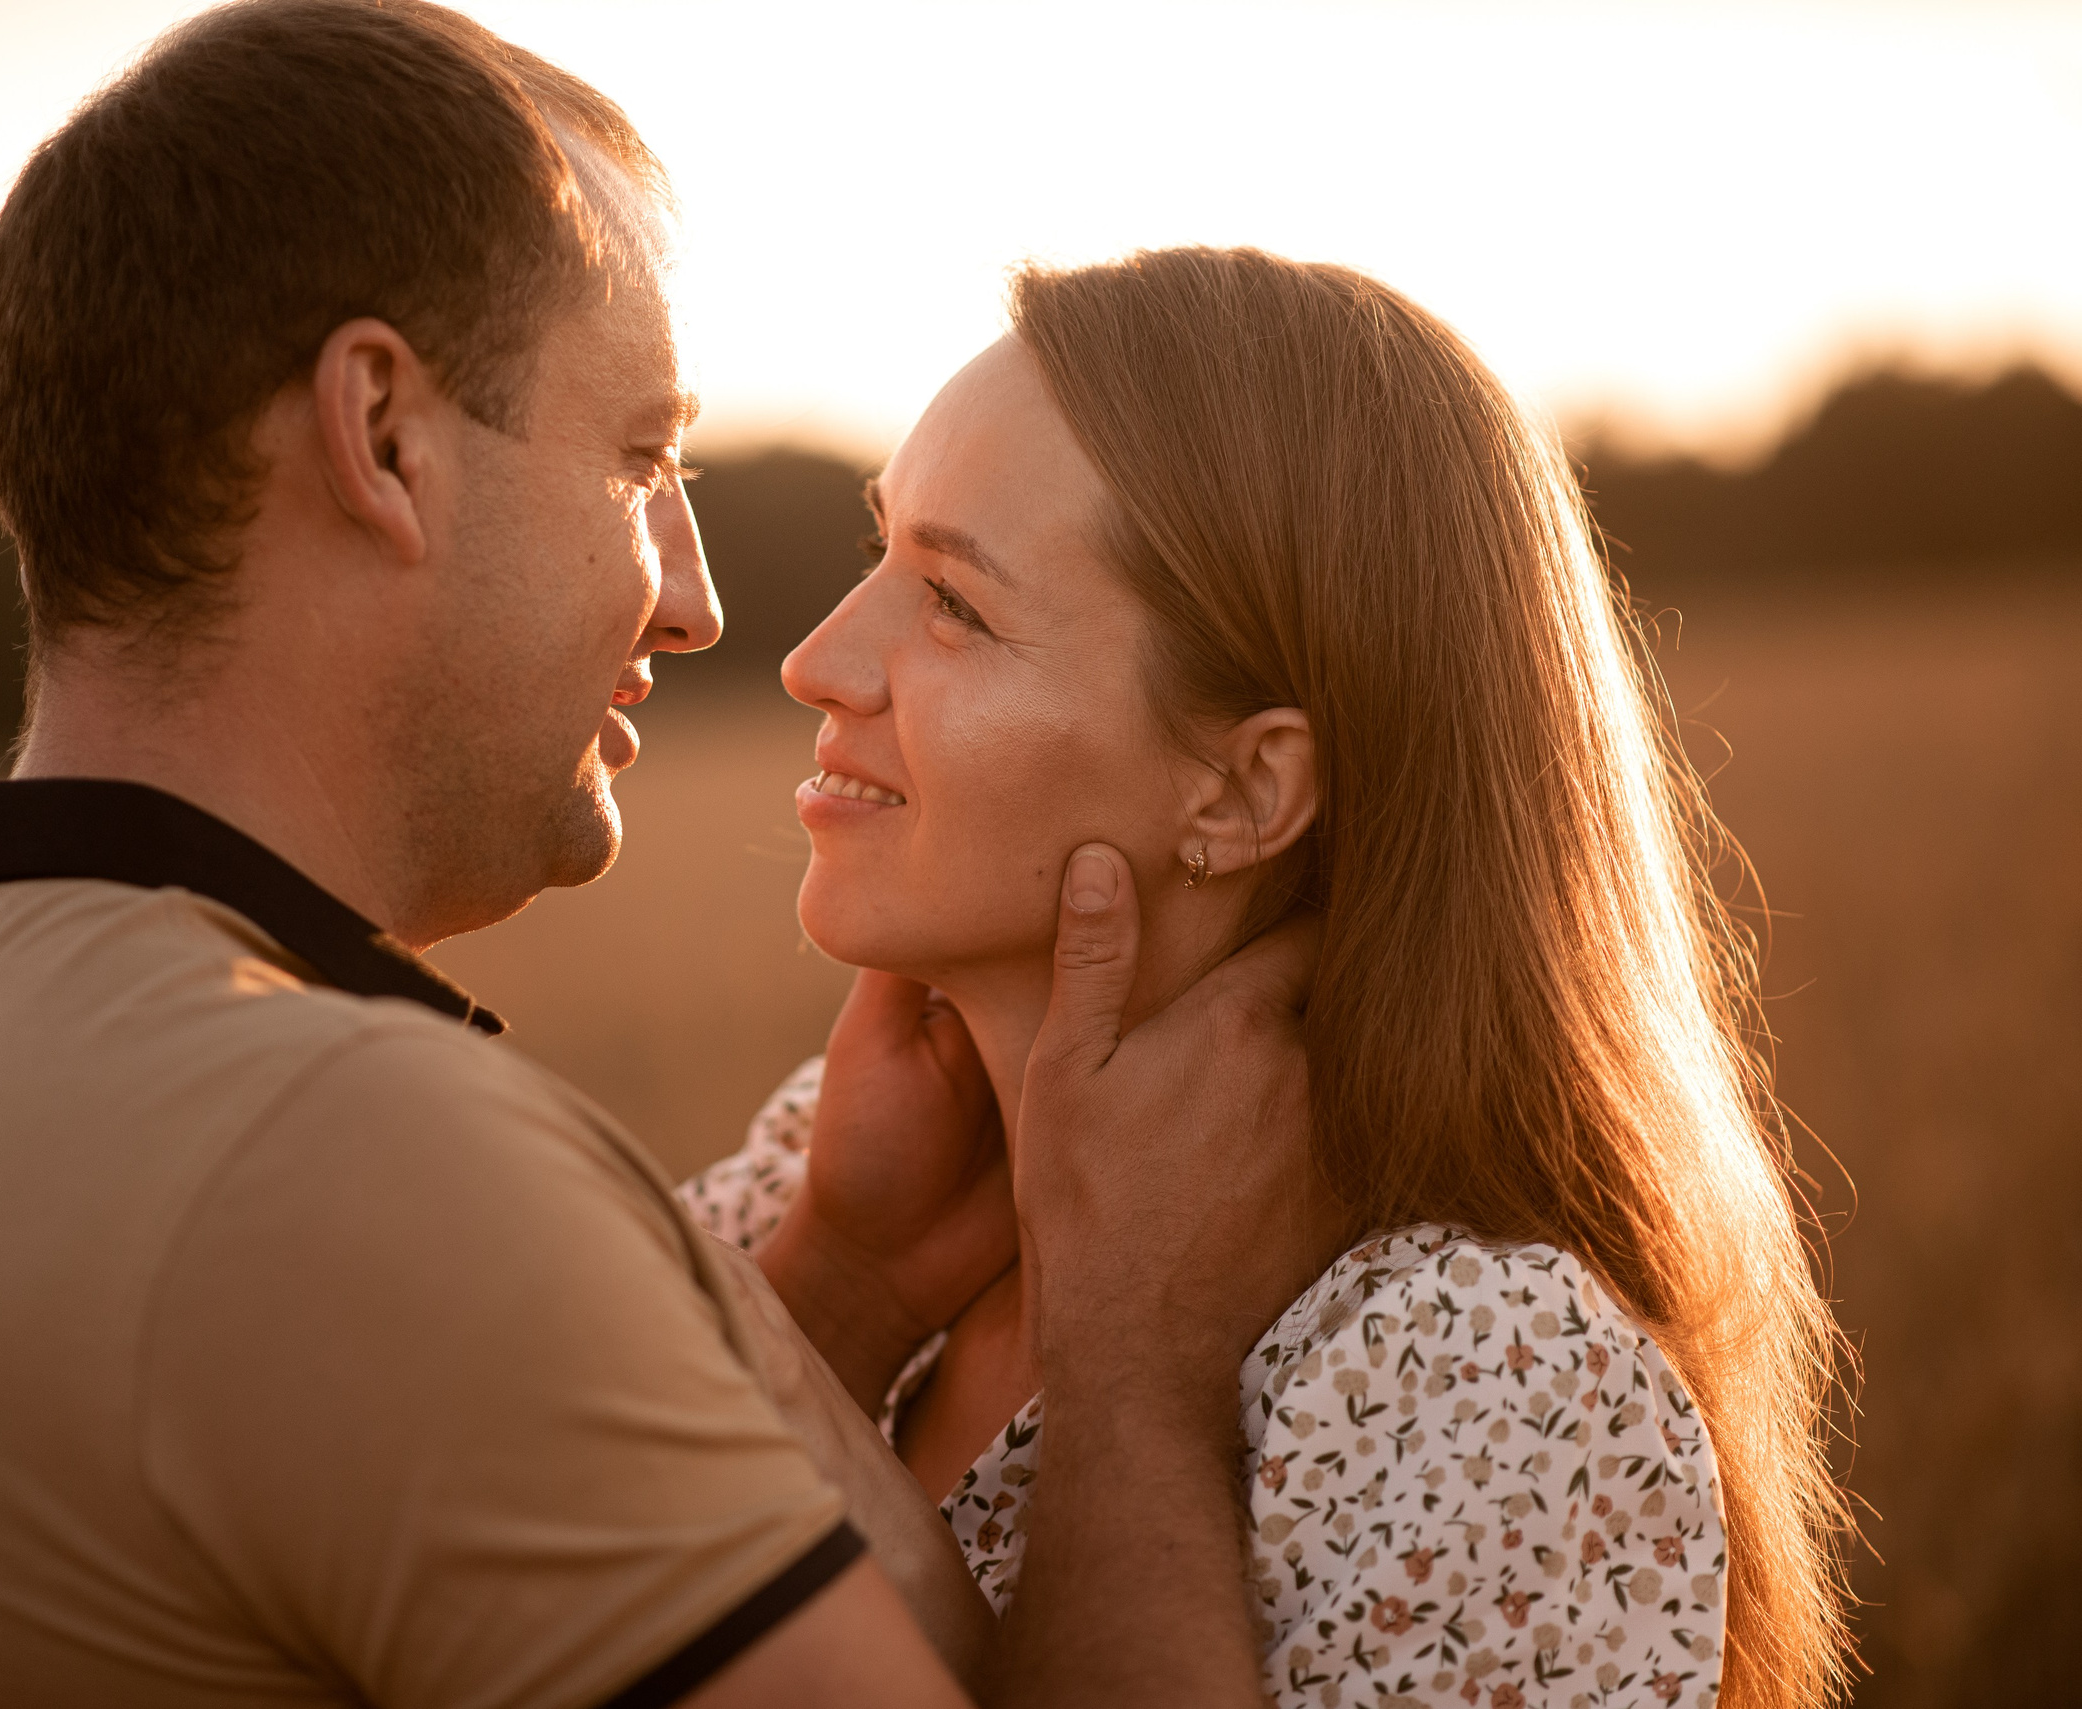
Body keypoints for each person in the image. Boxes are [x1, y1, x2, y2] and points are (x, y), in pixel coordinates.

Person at [0, 6, 1327, 1708]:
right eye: (638, 458)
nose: (698, 598)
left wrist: (855, 1278)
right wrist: (1135, 1364)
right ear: (383, 435)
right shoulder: (343, 1158)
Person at [684, 247, 1855, 1709]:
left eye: (954, 605)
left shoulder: (1481, 1378)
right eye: (880, 556)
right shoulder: (821, 1169)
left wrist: (1133, 1384)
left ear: (1244, 791)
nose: (814, 661)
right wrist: (839, 1292)